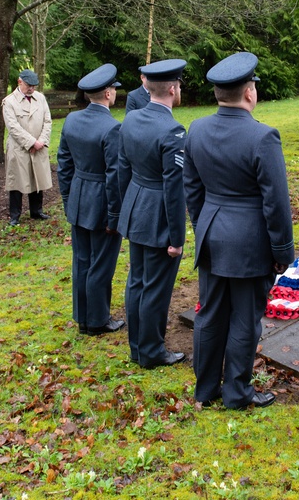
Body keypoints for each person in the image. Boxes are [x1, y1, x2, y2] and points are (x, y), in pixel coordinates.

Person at [184, 52, 294, 409]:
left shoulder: (197, 128)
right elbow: (276, 203)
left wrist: (204, 225)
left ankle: (205, 388)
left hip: (212, 234)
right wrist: (282, 252)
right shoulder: (263, 137)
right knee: (245, 319)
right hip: (248, 241)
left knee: (210, 313)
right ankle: (236, 393)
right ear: (250, 93)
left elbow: (192, 187)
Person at [118, 58, 187, 369]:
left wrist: (125, 211)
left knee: (137, 281)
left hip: (135, 207)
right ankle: (151, 352)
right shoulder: (173, 130)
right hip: (157, 212)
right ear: (172, 89)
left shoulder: (131, 119)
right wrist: (177, 237)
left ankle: (137, 347)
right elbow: (175, 190)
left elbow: (122, 169)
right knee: (156, 287)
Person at [57, 64, 125, 335]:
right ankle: (97, 320)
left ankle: (83, 316)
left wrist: (67, 197)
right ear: (108, 93)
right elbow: (114, 178)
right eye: (115, 90)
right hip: (100, 204)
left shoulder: (72, 120)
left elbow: (63, 164)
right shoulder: (112, 128)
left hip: (79, 197)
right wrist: (115, 216)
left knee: (82, 261)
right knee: (101, 264)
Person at [2, 69, 52, 226]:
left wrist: (41, 141)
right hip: (19, 148)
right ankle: (14, 215)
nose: (31, 89)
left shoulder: (40, 98)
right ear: (19, 82)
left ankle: (36, 211)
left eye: (34, 86)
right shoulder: (9, 102)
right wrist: (31, 142)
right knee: (16, 181)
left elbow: (47, 122)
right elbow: (13, 127)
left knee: (37, 178)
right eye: (28, 85)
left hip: (39, 147)